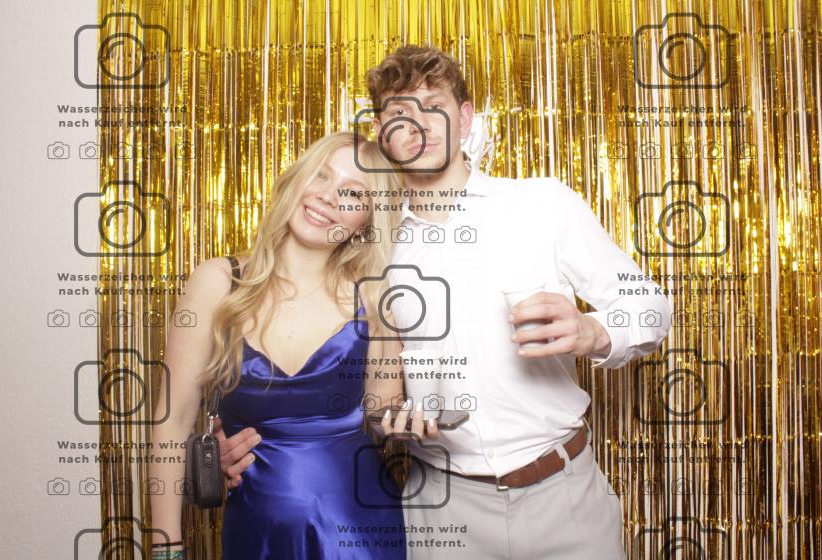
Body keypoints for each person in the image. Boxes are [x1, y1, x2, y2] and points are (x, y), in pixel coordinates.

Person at [221, 46, 672, 559]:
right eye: (399, 113)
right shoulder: (368, 248)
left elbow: (649, 304)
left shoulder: (542, 205)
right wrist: (234, 433)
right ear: (382, 133)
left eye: (433, 105)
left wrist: (595, 331)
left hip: (563, 494)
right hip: (442, 507)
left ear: (465, 117)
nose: (418, 124)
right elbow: (304, 349)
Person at [149, 132, 409, 560]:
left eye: (352, 193)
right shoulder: (217, 282)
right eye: (321, 176)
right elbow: (172, 420)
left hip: (361, 532)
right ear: (296, 179)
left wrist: (417, 419)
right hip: (256, 532)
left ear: (366, 220)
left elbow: (383, 412)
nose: (328, 196)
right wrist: (166, 548)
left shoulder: (374, 297)